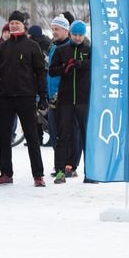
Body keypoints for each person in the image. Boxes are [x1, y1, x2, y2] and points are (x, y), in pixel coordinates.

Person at [0, 11, 48, 187]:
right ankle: (6, 173)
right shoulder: (2, 48)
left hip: (26, 98)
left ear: (24, 25)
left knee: (32, 137)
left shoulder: (32, 46)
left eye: (17, 23)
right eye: (12, 22)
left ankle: (38, 175)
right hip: (5, 98)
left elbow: (40, 73)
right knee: (4, 137)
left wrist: (43, 96)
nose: (14, 25)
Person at [49, 20, 91, 184]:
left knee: (85, 136)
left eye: (81, 35)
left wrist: (81, 64)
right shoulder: (61, 50)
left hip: (83, 100)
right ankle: (60, 171)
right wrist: (64, 68)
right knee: (63, 135)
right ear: (70, 34)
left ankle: (90, 172)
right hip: (65, 100)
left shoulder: (89, 50)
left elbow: (96, 66)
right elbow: (52, 71)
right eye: (75, 34)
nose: (78, 38)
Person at [45, 14, 77, 176]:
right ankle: (59, 163)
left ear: (66, 30)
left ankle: (69, 165)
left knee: (67, 133)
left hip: (65, 97)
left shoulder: (70, 48)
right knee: (54, 131)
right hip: (53, 97)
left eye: (57, 29)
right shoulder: (53, 48)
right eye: (52, 29)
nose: (54, 32)